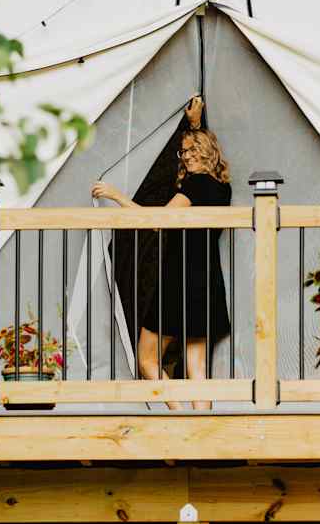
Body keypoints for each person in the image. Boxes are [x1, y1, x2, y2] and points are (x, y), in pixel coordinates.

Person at [91, 95, 232, 409]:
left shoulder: (193, 186)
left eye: (191, 151)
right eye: (184, 152)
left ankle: (179, 418)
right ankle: (200, 432)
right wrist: (196, 125)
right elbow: (200, 149)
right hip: (207, 279)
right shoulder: (222, 188)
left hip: (178, 278)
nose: (186, 156)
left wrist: (115, 195)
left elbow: (155, 222)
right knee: (197, 366)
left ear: (204, 153)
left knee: (147, 360)